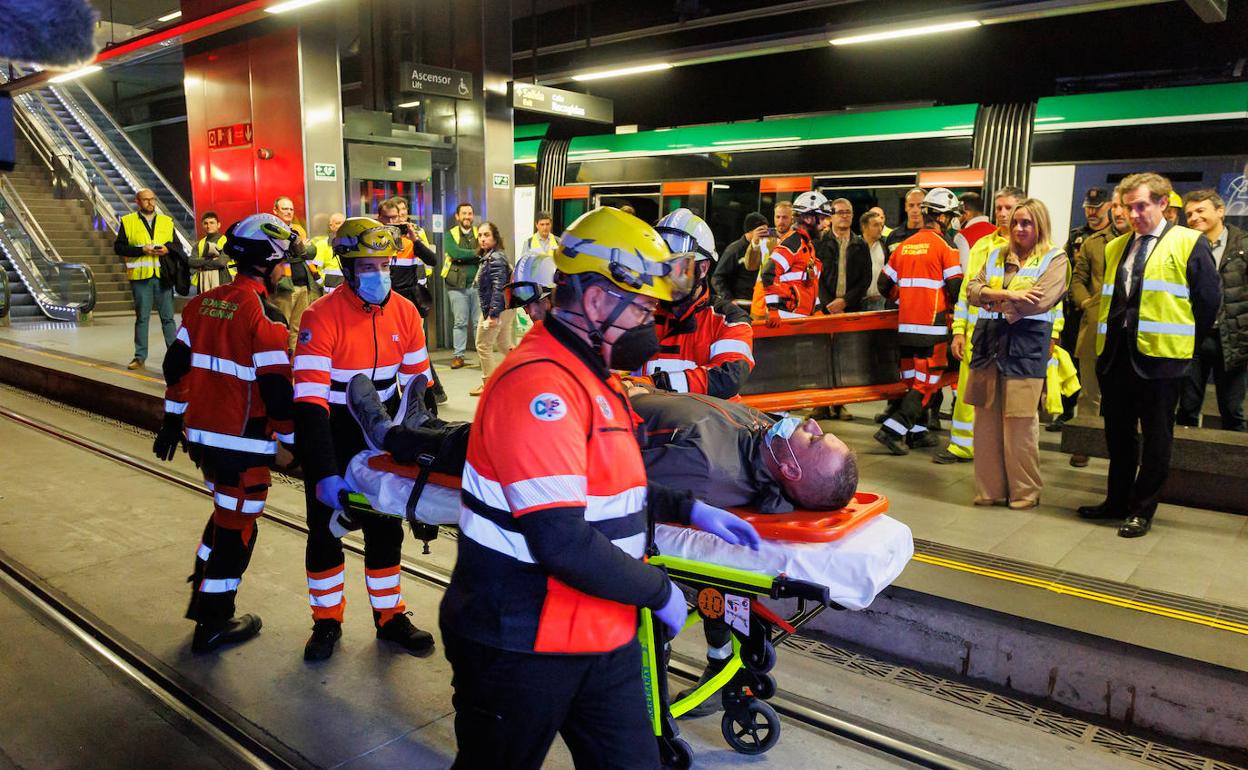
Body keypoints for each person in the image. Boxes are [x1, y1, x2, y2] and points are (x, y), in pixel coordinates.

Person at [437, 206, 758, 769]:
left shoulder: (596, 375)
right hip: (521, 641)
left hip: (599, 630)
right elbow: (560, 537)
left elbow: (612, 487)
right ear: (594, 300)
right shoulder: (541, 388)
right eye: (640, 307)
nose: (649, 323)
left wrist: (692, 510)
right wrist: (659, 592)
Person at [293, 216, 437, 661]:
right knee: (323, 533)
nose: (379, 274)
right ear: (347, 268)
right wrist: (322, 472)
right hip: (334, 430)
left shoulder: (407, 312)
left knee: (385, 528)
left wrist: (424, 465)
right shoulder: (321, 316)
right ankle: (326, 621)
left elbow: (419, 393)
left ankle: (390, 616)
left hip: (386, 431)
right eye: (367, 266)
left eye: (384, 264)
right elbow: (310, 406)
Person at [152, 213, 297, 654]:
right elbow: (276, 390)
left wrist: (172, 420)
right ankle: (214, 621)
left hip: (204, 443)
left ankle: (201, 593)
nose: (285, 269)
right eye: (283, 261)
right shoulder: (266, 317)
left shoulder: (201, 305)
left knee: (222, 516)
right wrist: (291, 443)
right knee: (238, 531)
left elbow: (175, 367)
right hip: (245, 450)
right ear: (270, 263)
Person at [1078, 173, 1220, 538]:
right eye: (1128, 206)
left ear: (1162, 204)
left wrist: (1184, 342)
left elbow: (1207, 302)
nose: (1134, 213)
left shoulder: (1189, 242)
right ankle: (1116, 501)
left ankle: (1142, 510)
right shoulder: (1116, 247)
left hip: (1163, 360)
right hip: (1117, 358)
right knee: (1119, 435)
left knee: (1157, 437)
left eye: (1141, 205)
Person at [963, 199, 1069, 508]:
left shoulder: (1055, 258)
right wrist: (1008, 294)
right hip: (989, 347)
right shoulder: (996, 255)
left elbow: (1039, 301)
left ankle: (1025, 492)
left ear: (1040, 226)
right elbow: (972, 291)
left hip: (1025, 349)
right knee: (985, 425)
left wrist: (990, 299)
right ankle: (990, 490)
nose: (1019, 228)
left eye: (1027, 223)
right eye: (1016, 222)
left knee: (1020, 426)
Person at [934, 187, 1023, 465]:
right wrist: (959, 331)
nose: (1003, 213)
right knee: (969, 392)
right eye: (999, 208)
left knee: (1008, 396)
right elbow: (965, 293)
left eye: (1009, 208)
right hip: (978, 335)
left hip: (1013, 336)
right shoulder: (982, 245)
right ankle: (961, 446)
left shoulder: (1034, 246)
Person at [874, 188, 963, 455]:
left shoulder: (903, 246)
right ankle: (892, 430)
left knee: (912, 383)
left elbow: (883, 285)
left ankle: (917, 433)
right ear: (943, 217)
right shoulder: (946, 248)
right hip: (932, 329)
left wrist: (906, 298)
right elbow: (956, 289)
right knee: (927, 384)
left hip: (905, 329)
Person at [636, 208, 754, 399]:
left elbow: (728, 377)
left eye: (676, 267)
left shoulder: (729, 319)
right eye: (660, 266)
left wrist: (654, 384)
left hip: (708, 424)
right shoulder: (639, 310)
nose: (664, 276)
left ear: (703, 268)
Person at [1176, 190, 1248, 431]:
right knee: (1186, 408)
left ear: (1220, 211)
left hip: (1234, 340)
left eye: (1200, 210)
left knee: (1232, 411)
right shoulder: (1183, 245)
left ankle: (1236, 468)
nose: (1194, 217)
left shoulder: (1244, 244)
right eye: (1189, 213)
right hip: (1194, 339)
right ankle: (1181, 466)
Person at [1067, 190, 1129, 466]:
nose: (1118, 211)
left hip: (1129, 330)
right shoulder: (1093, 242)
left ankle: (1122, 449)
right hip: (1095, 326)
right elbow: (1077, 278)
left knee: (1125, 396)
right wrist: (1086, 302)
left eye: (1123, 205)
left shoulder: (1147, 242)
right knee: (1089, 392)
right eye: (1115, 206)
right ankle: (1083, 445)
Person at [114, 188, 180, 370]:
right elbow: (119, 248)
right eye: (145, 200)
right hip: (141, 278)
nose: (150, 203)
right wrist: (141, 250)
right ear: (138, 201)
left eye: (152, 199)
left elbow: (177, 245)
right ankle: (139, 356)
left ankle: (174, 356)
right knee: (142, 318)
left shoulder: (167, 221)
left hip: (163, 276)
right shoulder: (128, 222)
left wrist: (167, 249)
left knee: (168, 318)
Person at [760, 192, 828, 326]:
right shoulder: (793, 243)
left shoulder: (807, 246)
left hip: (799, 318)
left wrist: (817, 309)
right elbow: (768, 274)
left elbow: (808, 283)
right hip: (786, 318)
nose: (825, 224)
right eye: (822, 218)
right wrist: (773, 309)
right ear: (809, 219)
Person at [269, 196, 320, 351]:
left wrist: (297, 250)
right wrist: (298, 249)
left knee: (298, 328)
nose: (289, 212)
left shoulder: (298, 229)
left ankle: (293, 363)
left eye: (291, 209)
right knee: (281, 326)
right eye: (284, 208)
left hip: (304, 285)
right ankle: (281, 358)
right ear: (275, 210)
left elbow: (312, 252)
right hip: (284, 287)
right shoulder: (269, 229)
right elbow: (280, 252)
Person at [470, 222, 510, 397]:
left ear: (495, 237)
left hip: (497, 309)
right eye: (480, 235)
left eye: (486, 235)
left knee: (483, 344)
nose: (482, 239)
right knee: (504, 345)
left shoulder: (495, 258)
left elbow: (498, 287)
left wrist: (493, 315)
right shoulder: (491, 256)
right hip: (506, 308)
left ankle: (489, 384)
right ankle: (526, 366)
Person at [441, 202, 480, 369]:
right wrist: (475, 254)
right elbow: (454, 253)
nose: (467, 217)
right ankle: (459, 356)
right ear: (457, 216)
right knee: (460, 322)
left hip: (477, 284)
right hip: (455, 285)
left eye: (470, 213)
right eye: (464, 213)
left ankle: (482, 356)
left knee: (479, 323)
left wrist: (463, 257)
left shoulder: (480, 233)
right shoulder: (449, 234)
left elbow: (484, 252)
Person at [818, 197, 872, 314]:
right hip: (823, 310)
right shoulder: (819, 243)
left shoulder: (861, 245)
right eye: (840, 212)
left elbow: (866, 279)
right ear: (831, 217)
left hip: (853, 309)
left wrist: (845, 301)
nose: (845, 216)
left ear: (852, 216)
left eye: (848, 212)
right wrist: (830, 305)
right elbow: (815, 278)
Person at [711, 211, 769, 305]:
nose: (764, 234)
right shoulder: (734, 249)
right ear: (750, 231)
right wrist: (729, 299)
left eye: (766, 231)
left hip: (759, 303)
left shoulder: (766, 248)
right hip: (740, 303)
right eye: (761, 230)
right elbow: (717, 278)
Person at [952, 192, 995, 276]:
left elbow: (963, 271)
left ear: (967, 214)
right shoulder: (998, 232)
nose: (955, 219)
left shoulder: (962, 237)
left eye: (956, 215)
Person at [188, 211, 231, 293]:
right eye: (206, 223)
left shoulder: (226, 241)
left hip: (222, 280)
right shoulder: (199, 244)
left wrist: (201, 263)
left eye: (212, 223)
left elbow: (221, 262)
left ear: (218, 225)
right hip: (202, 282)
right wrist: (211, 259)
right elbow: (191, 262)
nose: (208, 226)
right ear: (202, 226)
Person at [308, 212, 346, 290]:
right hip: (330, 289)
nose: (342, 226)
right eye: (338, 223)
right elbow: (313, 267)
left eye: (344, 223)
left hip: (347, 289)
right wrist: (322, 283)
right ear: (331, 226)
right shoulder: (322, 244)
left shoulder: (350, 245)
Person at [860, 209, 888, 311]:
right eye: (876, 225)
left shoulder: (885, 245)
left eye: (881, 225)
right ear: (864, 227)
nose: (880, 228)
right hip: (859, 301)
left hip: (880, 301)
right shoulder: (855, 246)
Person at [884, 188, 926, 255]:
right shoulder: (893, 236)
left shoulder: (937, 236)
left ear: (926, 208)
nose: (915, 210)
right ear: (905, 207)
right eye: (911, 205)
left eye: (920, 206)